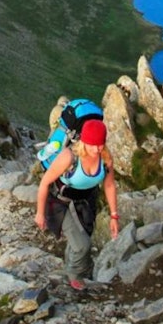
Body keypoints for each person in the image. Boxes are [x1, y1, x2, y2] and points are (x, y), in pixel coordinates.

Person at [35, 118, 120, 290]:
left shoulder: (105, 159)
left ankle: (69, 267)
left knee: (81, 240)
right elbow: (44, 183)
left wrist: (114, 215)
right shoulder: (69, 157)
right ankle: (74, 276)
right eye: (92, 145)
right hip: (60, 203)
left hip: (85, 202)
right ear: (84, 142)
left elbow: (109, 185)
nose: (97, 149)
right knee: (83, 245)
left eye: (100, 145)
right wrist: (40, 213)